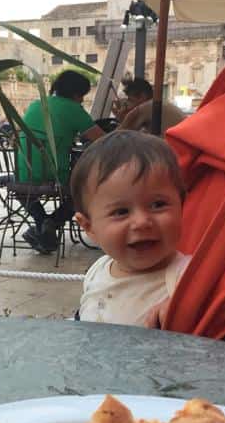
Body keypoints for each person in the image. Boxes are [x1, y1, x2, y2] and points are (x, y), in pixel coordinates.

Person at [70, 130, 191, 327]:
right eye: (121, 211)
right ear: (89, 227)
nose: (142, 222)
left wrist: (183, 308)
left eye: (158, 205)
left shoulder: (185, 279)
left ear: (181, 206)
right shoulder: (97, 271)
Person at [16, 70, 105, 253]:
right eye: (82, 96)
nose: (81, 101)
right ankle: (51, 223)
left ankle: (41, 226)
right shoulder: (74, 110)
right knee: (81, 191)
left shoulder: (36, 104)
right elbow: (103, 139)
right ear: (75, 93)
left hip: (22, 172)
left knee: (21, 189)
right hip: (54, 174)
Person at [118, 77, 187, 134]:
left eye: (131, 100)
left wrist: (121, 117)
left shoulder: (148, 107)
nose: (128, 104)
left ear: (142, 96)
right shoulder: (160, 104)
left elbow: (120, 135)